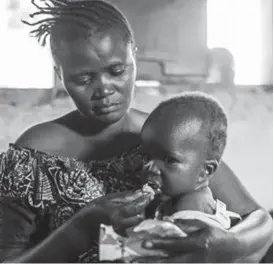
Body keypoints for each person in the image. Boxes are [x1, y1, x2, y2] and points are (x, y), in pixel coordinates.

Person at [0, 0, 272, 262]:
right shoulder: (32, 156)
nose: (104, 89)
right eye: (83, 78)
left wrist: (231, 244)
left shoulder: (167, 134)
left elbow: (260, 221)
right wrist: (80, 228)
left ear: (134, 57)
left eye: (117, 71)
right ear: (60, 74)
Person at [99, 92, 241, 262]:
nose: (150, 168)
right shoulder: (216, 212)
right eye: (146, 156)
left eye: (169, 160)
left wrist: (102, 222)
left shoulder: (178, 230)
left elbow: (112, 254)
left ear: (205, 171)